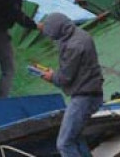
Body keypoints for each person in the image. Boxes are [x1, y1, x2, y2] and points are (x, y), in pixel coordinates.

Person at [39, 13, 104, 157]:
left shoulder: (73, 46)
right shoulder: (80, 35)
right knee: (76, 139)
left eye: (51, 35)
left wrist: (51, 77)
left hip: (83, 97)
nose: (51, 38)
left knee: (64, 143)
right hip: (92, 92)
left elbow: (65, 78)